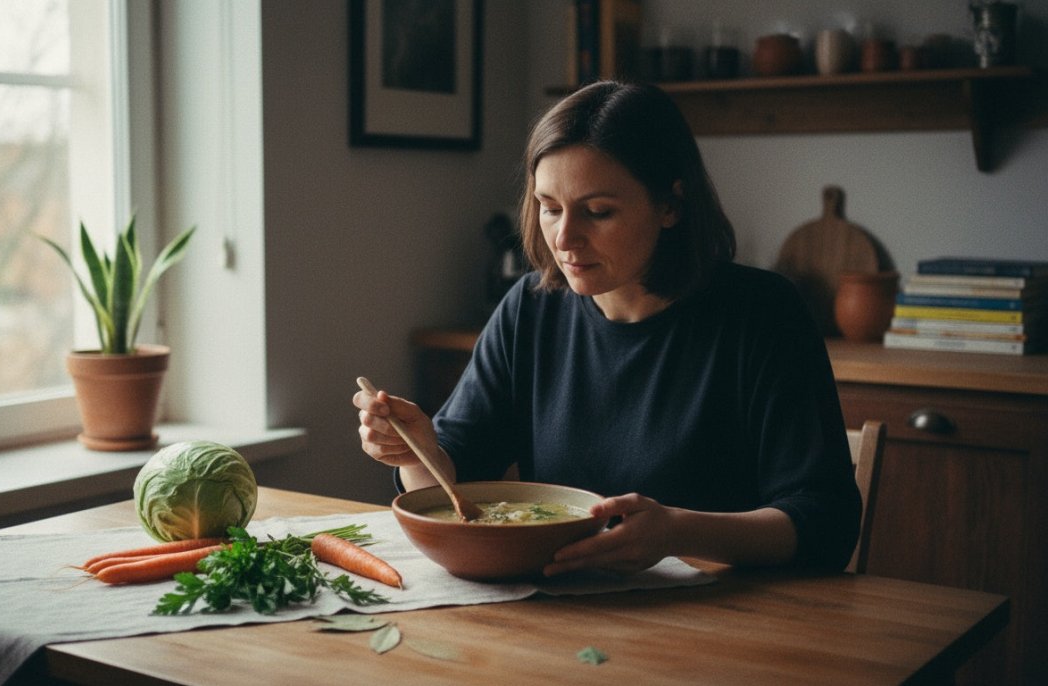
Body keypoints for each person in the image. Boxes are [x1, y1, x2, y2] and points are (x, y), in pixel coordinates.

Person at [353, 81, 861, 575]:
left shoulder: (763, 313)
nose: (565, 237)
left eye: (598, 212)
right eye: (549, 208)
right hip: (560, 618)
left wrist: (678, 531)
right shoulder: (530, 310)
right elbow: (453, 488)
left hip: (722, 623)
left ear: (670, 205)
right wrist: (415, 451)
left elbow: (827, 523)